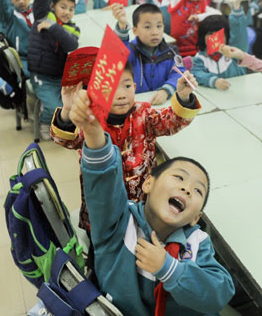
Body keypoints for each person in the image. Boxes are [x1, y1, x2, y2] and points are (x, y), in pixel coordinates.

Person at [69, 87, 235, 315]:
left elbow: (219, 294)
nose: (187, 189)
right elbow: (103, 185)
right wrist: (94, 134)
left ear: (196, 218)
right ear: (148, 184)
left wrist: (169, 269)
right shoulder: (118, 222)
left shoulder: (197, 242)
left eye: (198, 191)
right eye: (178, 177)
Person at [51, 62, 201, 233]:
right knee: (103, 252)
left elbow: (172, 121)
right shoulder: (89, 119)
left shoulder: (143, 114)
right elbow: (67, 140)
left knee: (142, 249)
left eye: (127, 85)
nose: (121, 94)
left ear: (135, 86)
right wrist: (68, 110)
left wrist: (183, 98)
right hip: (103, 212)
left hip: (144, 210)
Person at [27, 0, 80, 141]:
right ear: (53, 7)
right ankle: (43, 122)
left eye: (71, 9)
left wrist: (53, 27)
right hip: (41, 75)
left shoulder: (71, 28)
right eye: (62, 7)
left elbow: (71, 44)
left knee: (71, 105)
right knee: (53, 107)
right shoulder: (42, 15)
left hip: (61, 77)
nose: (67, 12)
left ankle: (59, 124)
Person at [111, 3, 184, 105]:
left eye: (159, 26)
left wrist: (166, 90)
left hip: (164, 105)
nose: (155, 32)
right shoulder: (131, 50)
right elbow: (117, 55)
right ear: (135, 31)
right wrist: (122, 26)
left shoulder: (171, 51)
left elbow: (179, 73)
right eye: (148, 27)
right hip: (136, 105)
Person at [191, 0, 248, 89]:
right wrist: (214, 81)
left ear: (227, 36)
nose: (214, 38)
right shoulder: (200, 58)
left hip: (238, 95)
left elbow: (239, 33)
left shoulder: (234, 52)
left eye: (219, 34)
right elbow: (197, 73)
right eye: (210, 34)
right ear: (202, 37)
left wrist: (236, 5)